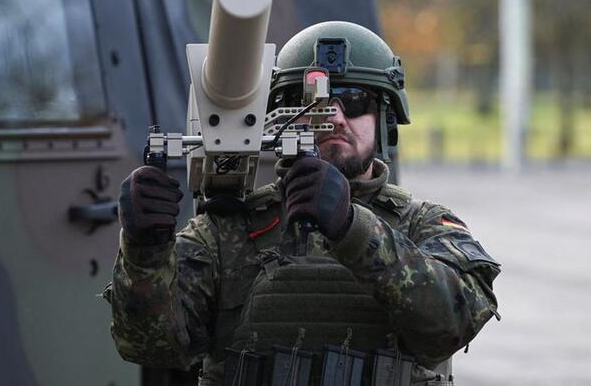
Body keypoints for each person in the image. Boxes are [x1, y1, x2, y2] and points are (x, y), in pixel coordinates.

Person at [108, 21, 500, 386]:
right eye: (308, 102)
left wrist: (351, 228)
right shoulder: (227, 231)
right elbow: (150, 347)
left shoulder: (423, 225)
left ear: (384, 118)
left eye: (354, 100)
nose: (335, 118)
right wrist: (144, 253)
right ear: (281, 118)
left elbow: (452, 325)